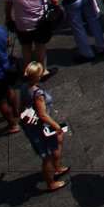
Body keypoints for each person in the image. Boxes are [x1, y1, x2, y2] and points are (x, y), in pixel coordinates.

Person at [14, 60, 66, 191]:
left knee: (55, 145)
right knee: (47, 156)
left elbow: (21, 107)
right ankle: (51, 183)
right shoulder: (38, 94)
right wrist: (57, 127)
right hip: (42, 127)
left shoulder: (24, 87)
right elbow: (43, 115)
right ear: (38, 76)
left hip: (31, 126)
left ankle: (58, 169)